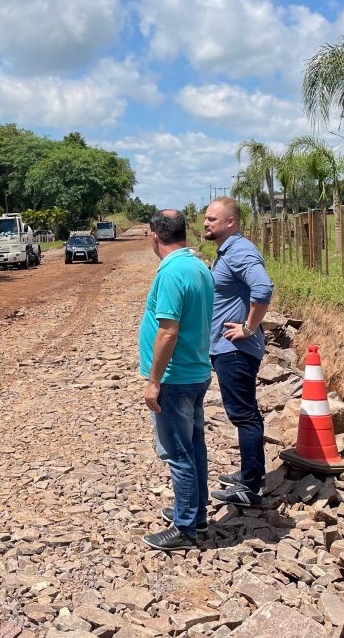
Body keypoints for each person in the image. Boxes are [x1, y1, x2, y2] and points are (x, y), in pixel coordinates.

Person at [138, 209, 215, 551]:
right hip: (196, 371)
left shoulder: (171, 273)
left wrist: (154, 381)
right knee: (195, 447)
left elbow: (168, 332)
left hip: (176, 377)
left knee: (178, 453)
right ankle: (194, 512)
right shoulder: (198, 266)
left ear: (155, 235)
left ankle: (184, 528)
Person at [203, 198, 274, 509]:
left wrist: (248, 327)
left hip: (236, 349)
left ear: (230, 222)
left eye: (212, 219)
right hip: (227, 348)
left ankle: (250, 487)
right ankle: (250, 474)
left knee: (244, 415)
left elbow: (263, 289)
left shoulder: (241, 251)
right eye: (206, 219)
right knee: (243, 414)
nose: (206, 224)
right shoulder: (228, 252)